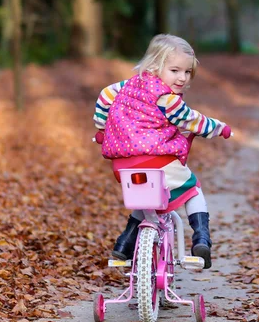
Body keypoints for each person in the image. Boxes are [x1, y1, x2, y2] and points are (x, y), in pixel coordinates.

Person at [93, 33, 231, 269]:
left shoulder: (126, 85)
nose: (182, 78)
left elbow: (105, 96)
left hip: (123, 164)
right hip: (157, 160)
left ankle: (125, 244)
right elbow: (191, 120)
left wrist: (101, 128)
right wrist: (219, 127)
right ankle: (201, 239)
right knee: (193, 189)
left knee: (147, 197)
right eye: (175, 70)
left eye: (187, 72)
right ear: (155, 66)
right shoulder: (167, 99)